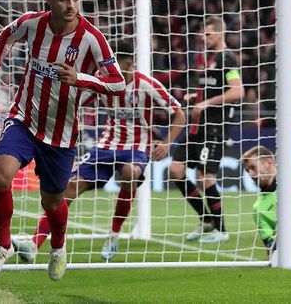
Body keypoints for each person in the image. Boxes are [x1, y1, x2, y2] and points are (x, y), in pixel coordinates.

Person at [0, 0, 125, 281]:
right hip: (24, 119)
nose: (72, 5)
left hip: (62, 132)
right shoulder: (33, 23)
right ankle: (2, 247)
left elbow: (119, 83)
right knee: (1, 175)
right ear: (50, 0)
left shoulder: (92, 39)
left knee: (52, 201)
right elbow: (5, 36)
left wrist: (81, 78)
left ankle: (57, 246)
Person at [12, 50, 186, 262]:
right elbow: (75, 102)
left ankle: (113, 234)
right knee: (70, 187)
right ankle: (34, 243)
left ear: (130, 66)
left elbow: (179, 113)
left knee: (130, 172)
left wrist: (167, 142)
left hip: (137, 146)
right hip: (105, 146)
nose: (113, 74)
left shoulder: (146, 85)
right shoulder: (104, 83)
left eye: (118, 70)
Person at [169, 16, 244, 243]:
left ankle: (221, 229)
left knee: (205, 177)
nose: (204, 37)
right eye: (203, 33)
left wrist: (206, 103)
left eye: (209, 34)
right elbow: (211, 90)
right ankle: (205, 219)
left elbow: (237, 92)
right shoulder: (207, 59)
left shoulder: (227, 59)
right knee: (175, 170)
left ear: (221, 34)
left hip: (215, 128)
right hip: (197, 126)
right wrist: (196, 97)